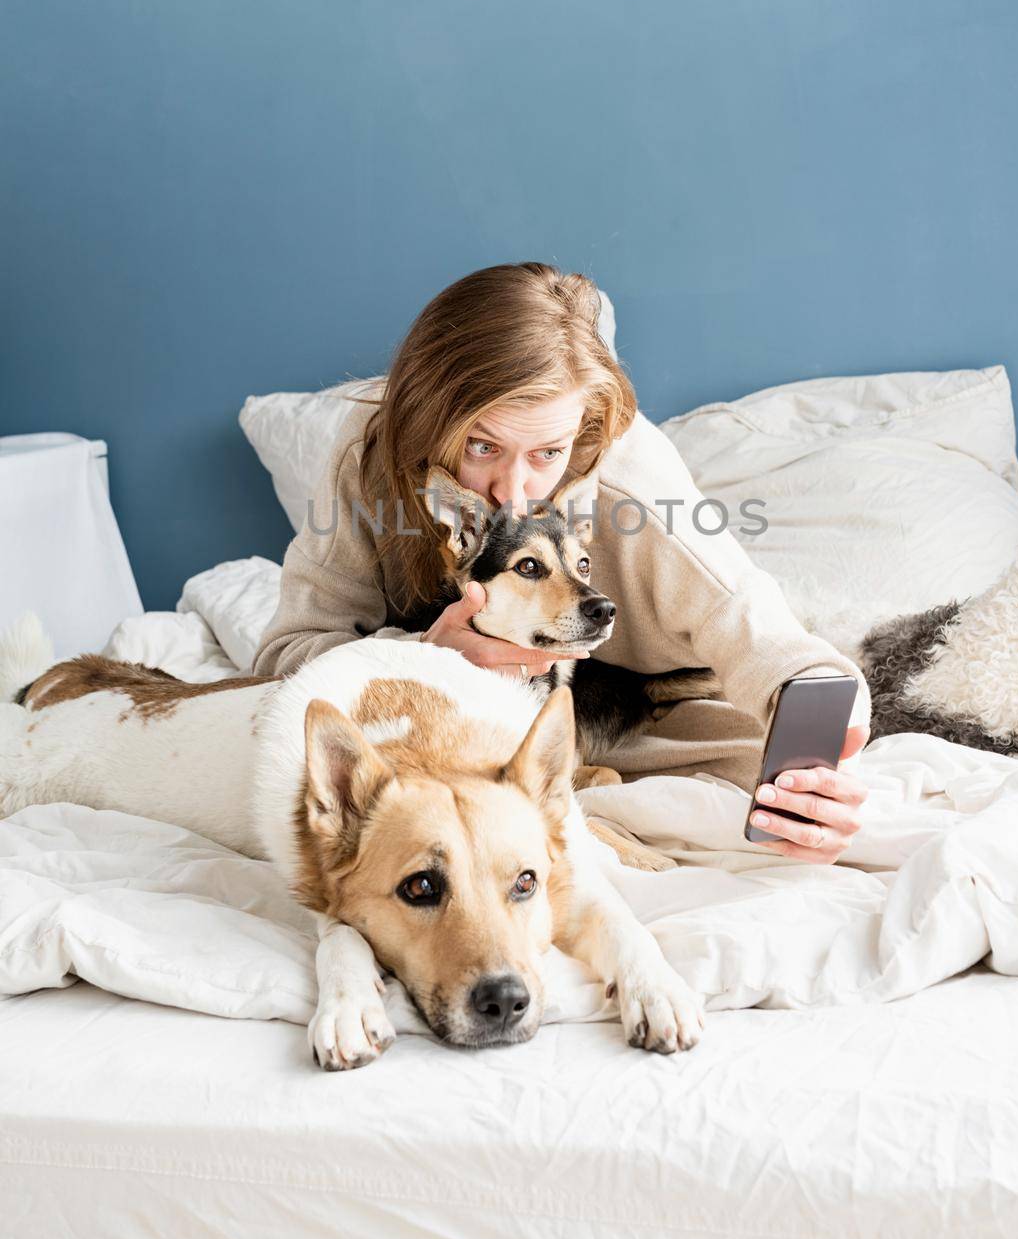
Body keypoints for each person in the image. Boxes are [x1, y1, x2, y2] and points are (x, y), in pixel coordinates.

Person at [252, 262, 869, 863]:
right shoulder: (369, 462)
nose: (515, 493)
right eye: (482, 445)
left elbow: (773, 641)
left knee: (752, 785)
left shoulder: (635, 490)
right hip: (449, 716)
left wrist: (820, 767)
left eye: (548, 452)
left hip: (642, 704)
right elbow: (284, 659)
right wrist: (422, 658)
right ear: (425, 420)